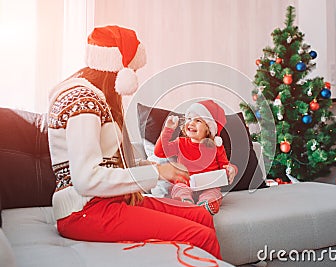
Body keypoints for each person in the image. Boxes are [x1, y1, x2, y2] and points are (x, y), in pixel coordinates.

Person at [47, 25, 221, 259]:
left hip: (109, 201)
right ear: (120, 72)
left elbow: (109, 163)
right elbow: (86, 179)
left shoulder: (97, 99)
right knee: (202, 236)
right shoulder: (82, 101)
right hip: (84, 211)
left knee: (201, 215)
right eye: (133, 70)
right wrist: (157, 172)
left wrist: (154, 172)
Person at [154, 100, 237, 215]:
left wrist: (232, 169)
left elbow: (225, 166)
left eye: (198, 120)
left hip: (209, 185)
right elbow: (159, 152)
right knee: (180, 188)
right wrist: (168, 129)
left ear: (208, 128)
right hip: (185, 183)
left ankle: (206, 204)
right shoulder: (180, 143)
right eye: (189, 119)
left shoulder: (216, 147)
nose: (191, 123)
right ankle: (185, 203)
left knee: (213, 193)